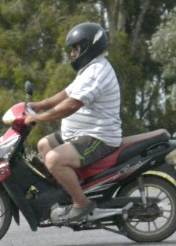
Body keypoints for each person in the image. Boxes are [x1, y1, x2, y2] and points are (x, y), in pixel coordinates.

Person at [25, 22, 123, 225]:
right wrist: (38, 105)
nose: (72, 54)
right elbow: (67, 93)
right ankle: (64, 191)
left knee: (53, 160)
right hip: (81, 133)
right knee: (44, 145)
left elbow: (71, 105)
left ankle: (81, 203)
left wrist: (40, 118)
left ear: (88, 47)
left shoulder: (98, 71)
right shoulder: (88, 69)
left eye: (75, 48)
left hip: (99, 136)